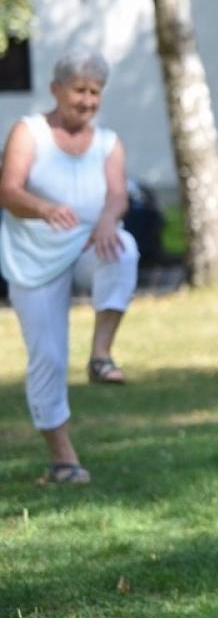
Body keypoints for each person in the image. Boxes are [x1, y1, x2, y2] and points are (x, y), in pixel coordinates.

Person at [0, 48, 140, 485]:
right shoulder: (29, 133)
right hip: (34, 259)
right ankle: (63, 460)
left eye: (95, 92)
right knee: (49, 358)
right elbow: (8, 190)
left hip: (83, 245)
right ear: (56, 89)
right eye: (79, 90)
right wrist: (42, 209)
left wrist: (105, 220)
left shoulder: (108, 143)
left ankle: (101, 355)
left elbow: (117, 195)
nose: (87, 100)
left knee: (125, 247)